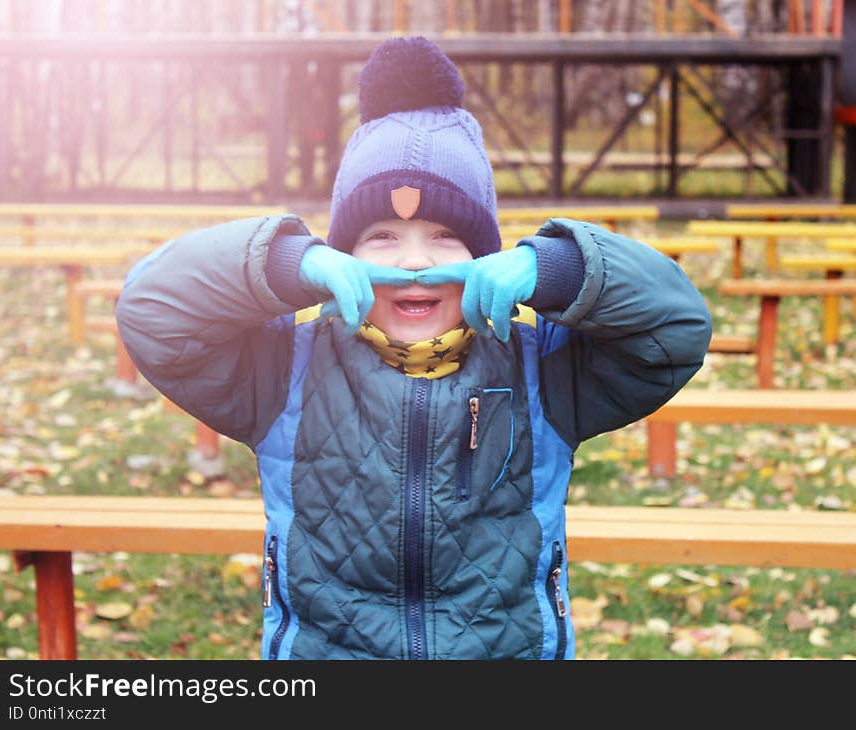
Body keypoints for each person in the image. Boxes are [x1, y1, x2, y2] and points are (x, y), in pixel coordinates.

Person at [116, 36, 712, 660]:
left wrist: (558, 271)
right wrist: (285, 263)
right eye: (379, 236)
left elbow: (675, 330)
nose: (414, 262)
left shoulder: (542, 372)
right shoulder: (284, 373)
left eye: (446, 237)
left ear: (488, 258)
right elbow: (153, 311)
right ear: (339, 257)